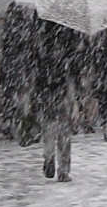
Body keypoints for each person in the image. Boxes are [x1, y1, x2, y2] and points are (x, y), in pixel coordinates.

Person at [35, 19, 84, 181]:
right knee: (64, 128)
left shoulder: (43, 27)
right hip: (65, 85)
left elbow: (36, 58)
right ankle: (63, 169)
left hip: (47, 85)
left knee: (49, 124)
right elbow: (76, 62)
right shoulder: (72, 29)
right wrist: (77, 86)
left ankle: (49, 156)